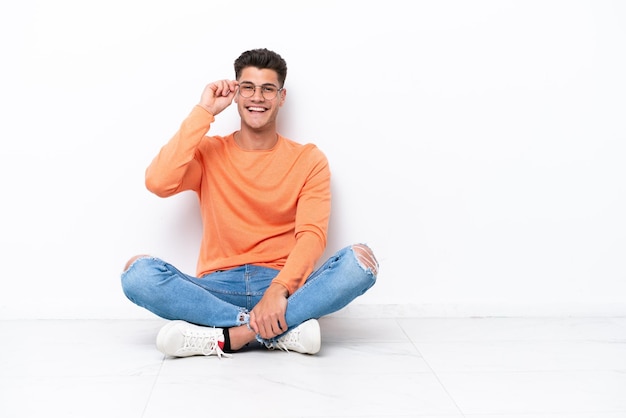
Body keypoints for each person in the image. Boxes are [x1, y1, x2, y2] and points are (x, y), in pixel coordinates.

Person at [121, 48, 378, 358]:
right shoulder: (209, 152)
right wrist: (204, 110)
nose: (258, 97)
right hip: (217, 288)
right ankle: (274, 331)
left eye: (268, 89)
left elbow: (311, 235)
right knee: (137, 274)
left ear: (281, 97)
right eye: (248, 88)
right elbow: (158, 181)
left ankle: (227, 337)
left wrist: (278, 290)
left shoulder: (309, 159)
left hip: (283, 285)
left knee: (361, 262)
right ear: (237, 93)